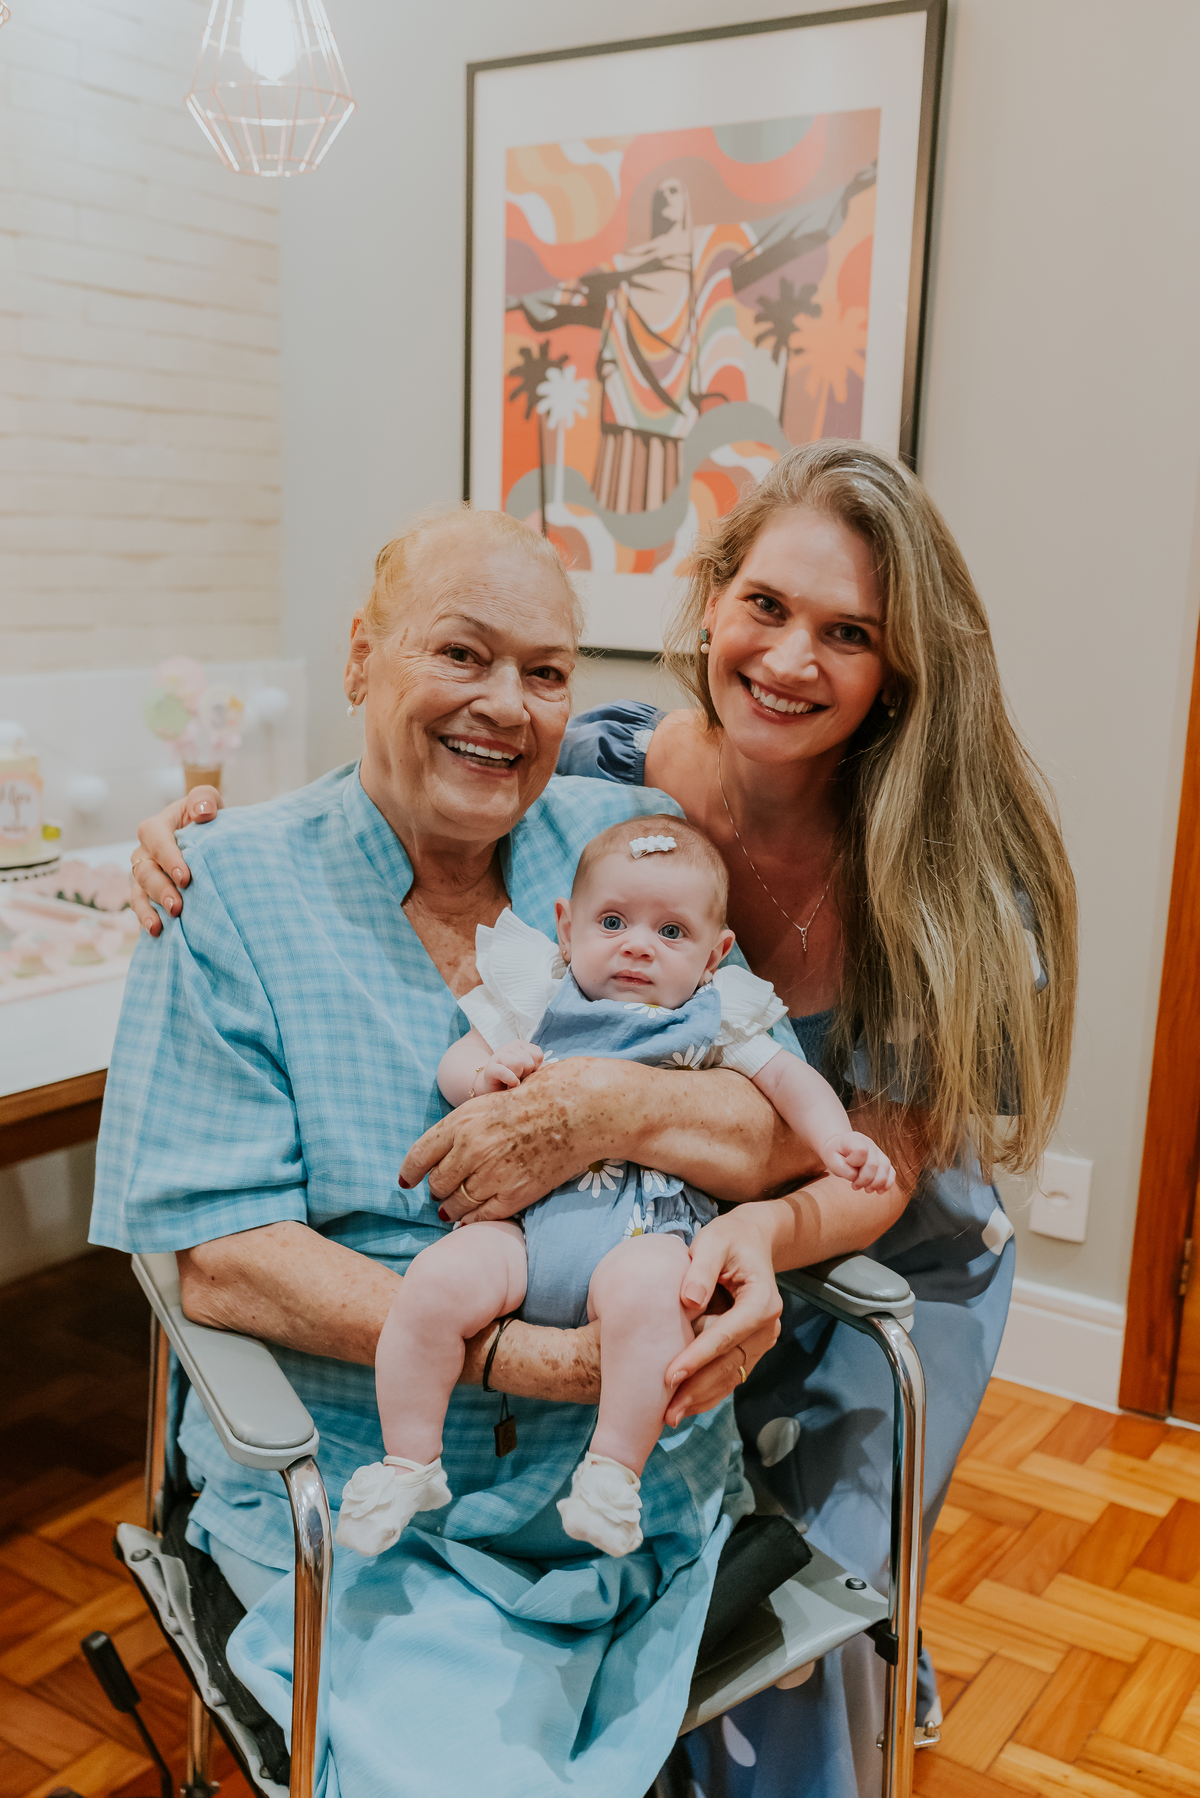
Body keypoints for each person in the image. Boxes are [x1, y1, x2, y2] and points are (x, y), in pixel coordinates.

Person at [130, 442, 1077, 1798]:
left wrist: (650, 1143)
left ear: (898, 673)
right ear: (710, 601)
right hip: (633, 1260)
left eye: (850, 632)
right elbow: (414, 756)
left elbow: (863, 1149)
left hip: (872, 1223)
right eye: (768, 605)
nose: (793, 658)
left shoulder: (941, 882)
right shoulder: (608, 781)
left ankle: (872, 1658)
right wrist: (197, 843)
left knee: (811, 1656)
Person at [99, 508, 824, 1798]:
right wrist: (528, 1360)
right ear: (362, 659)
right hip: (373, 1506)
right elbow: (216, 1257)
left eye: (547, 671)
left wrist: (602, 1110)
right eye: (462, 654)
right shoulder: (230, 890)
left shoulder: (625, 846)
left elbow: (770, 1118)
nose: (509, 704)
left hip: (638, 1479)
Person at [336, 814, 894, 1563]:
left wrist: (836, 1141)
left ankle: (611, 1474)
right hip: (523, 1237)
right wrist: (482, 1077)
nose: (637, 944)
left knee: (659, 1293)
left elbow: (792, 1082)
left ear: (714, 954)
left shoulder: (718, 1013)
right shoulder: (538, 994)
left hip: (640, 1236)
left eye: (672, 933)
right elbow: (462, 1056)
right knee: (433, 1284)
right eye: (611, 921)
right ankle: (408, 1462)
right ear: (566, 929)